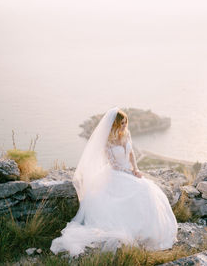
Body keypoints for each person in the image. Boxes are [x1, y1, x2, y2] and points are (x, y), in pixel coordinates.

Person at [50, 107, 178, 257]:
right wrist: (129, 172)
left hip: (129, 171)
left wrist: (135, 169)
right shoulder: (108, 141)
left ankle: (152, 232)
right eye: (121, 123)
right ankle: (138, 231)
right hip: (115, 174)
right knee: (140, 190)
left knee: (147, 189)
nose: (124, 125)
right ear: (114, 125)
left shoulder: (127, 134)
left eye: (125, 122)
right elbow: (113, 165)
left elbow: (131, 154)